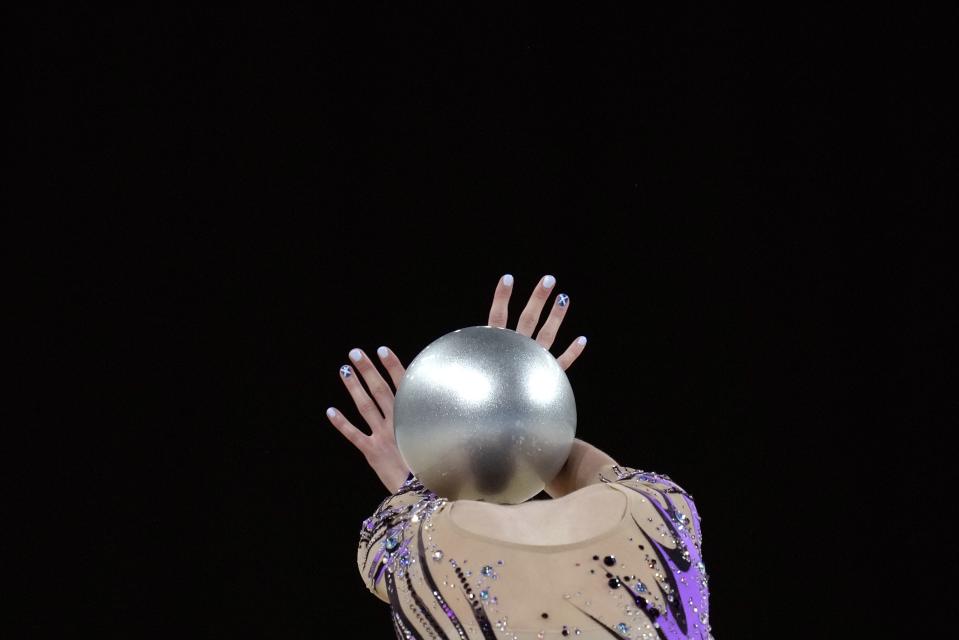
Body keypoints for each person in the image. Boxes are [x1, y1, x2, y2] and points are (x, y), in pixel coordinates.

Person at [326, 275, 713, 639]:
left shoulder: (416, 548)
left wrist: (431, 460)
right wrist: (524, 397)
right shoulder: (664, 510)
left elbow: (405, 530)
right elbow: (588, 468)